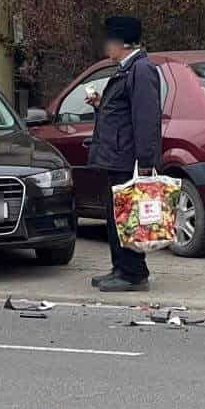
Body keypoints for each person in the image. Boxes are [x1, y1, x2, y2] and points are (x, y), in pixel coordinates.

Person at [85, 16, 161, 293]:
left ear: (122, 42)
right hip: (117, 157)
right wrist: (100, 105)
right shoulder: (126, 70)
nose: (106, 47)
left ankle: (133, 273)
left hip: (128, 160)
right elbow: (121, 113)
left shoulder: (141, 70)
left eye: (109, 40)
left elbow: (146, 119)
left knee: (128, 218)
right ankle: (120, 267)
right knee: (116, 217)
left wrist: (145, 164)